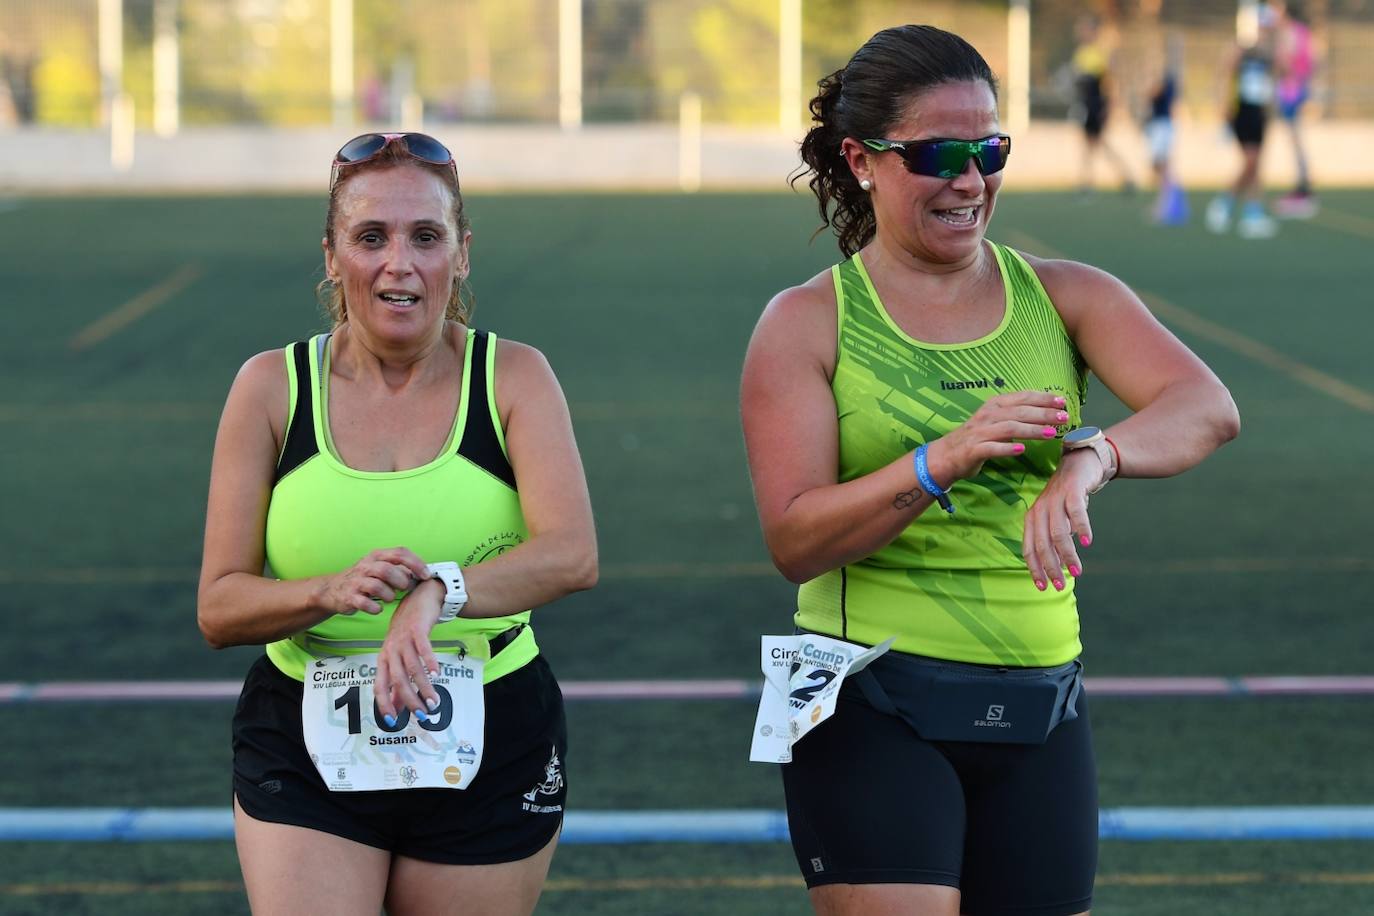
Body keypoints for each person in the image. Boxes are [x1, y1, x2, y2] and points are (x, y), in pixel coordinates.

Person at [741, 24, 1239, 916]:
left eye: (989, 149)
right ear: (862, 159)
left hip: (1044, 701)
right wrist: (941, 460)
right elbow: (795, 538)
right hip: (870, 696)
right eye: (938, 153)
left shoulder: (1066, 294)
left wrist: (1093, 457)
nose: (970, 180)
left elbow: (1206, 408)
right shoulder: (806, 322)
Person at [198, 132, 597, 916]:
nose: (398, 264)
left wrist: (436, 592)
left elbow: (571, 555)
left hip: (491, 720)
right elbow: (219, 606)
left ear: (463, 252)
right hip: (305, 733)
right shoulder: (270, 389)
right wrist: (327, 592)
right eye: (370, 237)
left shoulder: (513, 376)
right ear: (331, 254)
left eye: (426, 236)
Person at [1206, 5, 1280, 238]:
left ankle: (1253, 213)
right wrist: (1223, 106)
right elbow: (1224, 75)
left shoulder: (1268, 53)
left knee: (1256, 164)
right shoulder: (1241, 49)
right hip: (1243, 111)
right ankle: (1224, 203)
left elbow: (1279, 76)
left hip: (1260, 112)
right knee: (1250, 162)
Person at [1069, 15, 1135, 195]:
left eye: (1085, 29)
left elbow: (1109, 83)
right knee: (1091, 145)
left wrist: (1110, 107)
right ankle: (1091, 183)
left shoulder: (1100, 53)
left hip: (1097, 106)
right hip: (1086, 106)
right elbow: (1079, 83)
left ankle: (1120, 178)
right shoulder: (1081, 53)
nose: (1082, 33)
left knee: (1097, 144)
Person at [1273, 0, 1318, 217]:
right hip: (1296, 90)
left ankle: (1304, 191)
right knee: (1295, 141)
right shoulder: (1302, 32)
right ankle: (1302, 188)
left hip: (1292, 93)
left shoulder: (1290, 33)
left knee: (1296, 141)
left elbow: (1287, 63)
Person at [1144, 34, 1188, 225]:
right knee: (1159, 166)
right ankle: (1169, 202)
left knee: (1162, 166)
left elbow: (1154, 93)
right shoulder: (1171, 74)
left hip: (1162, 124)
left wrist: (1148, 83)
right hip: (1161, 123)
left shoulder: (1167, 76)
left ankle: (1169, 204)